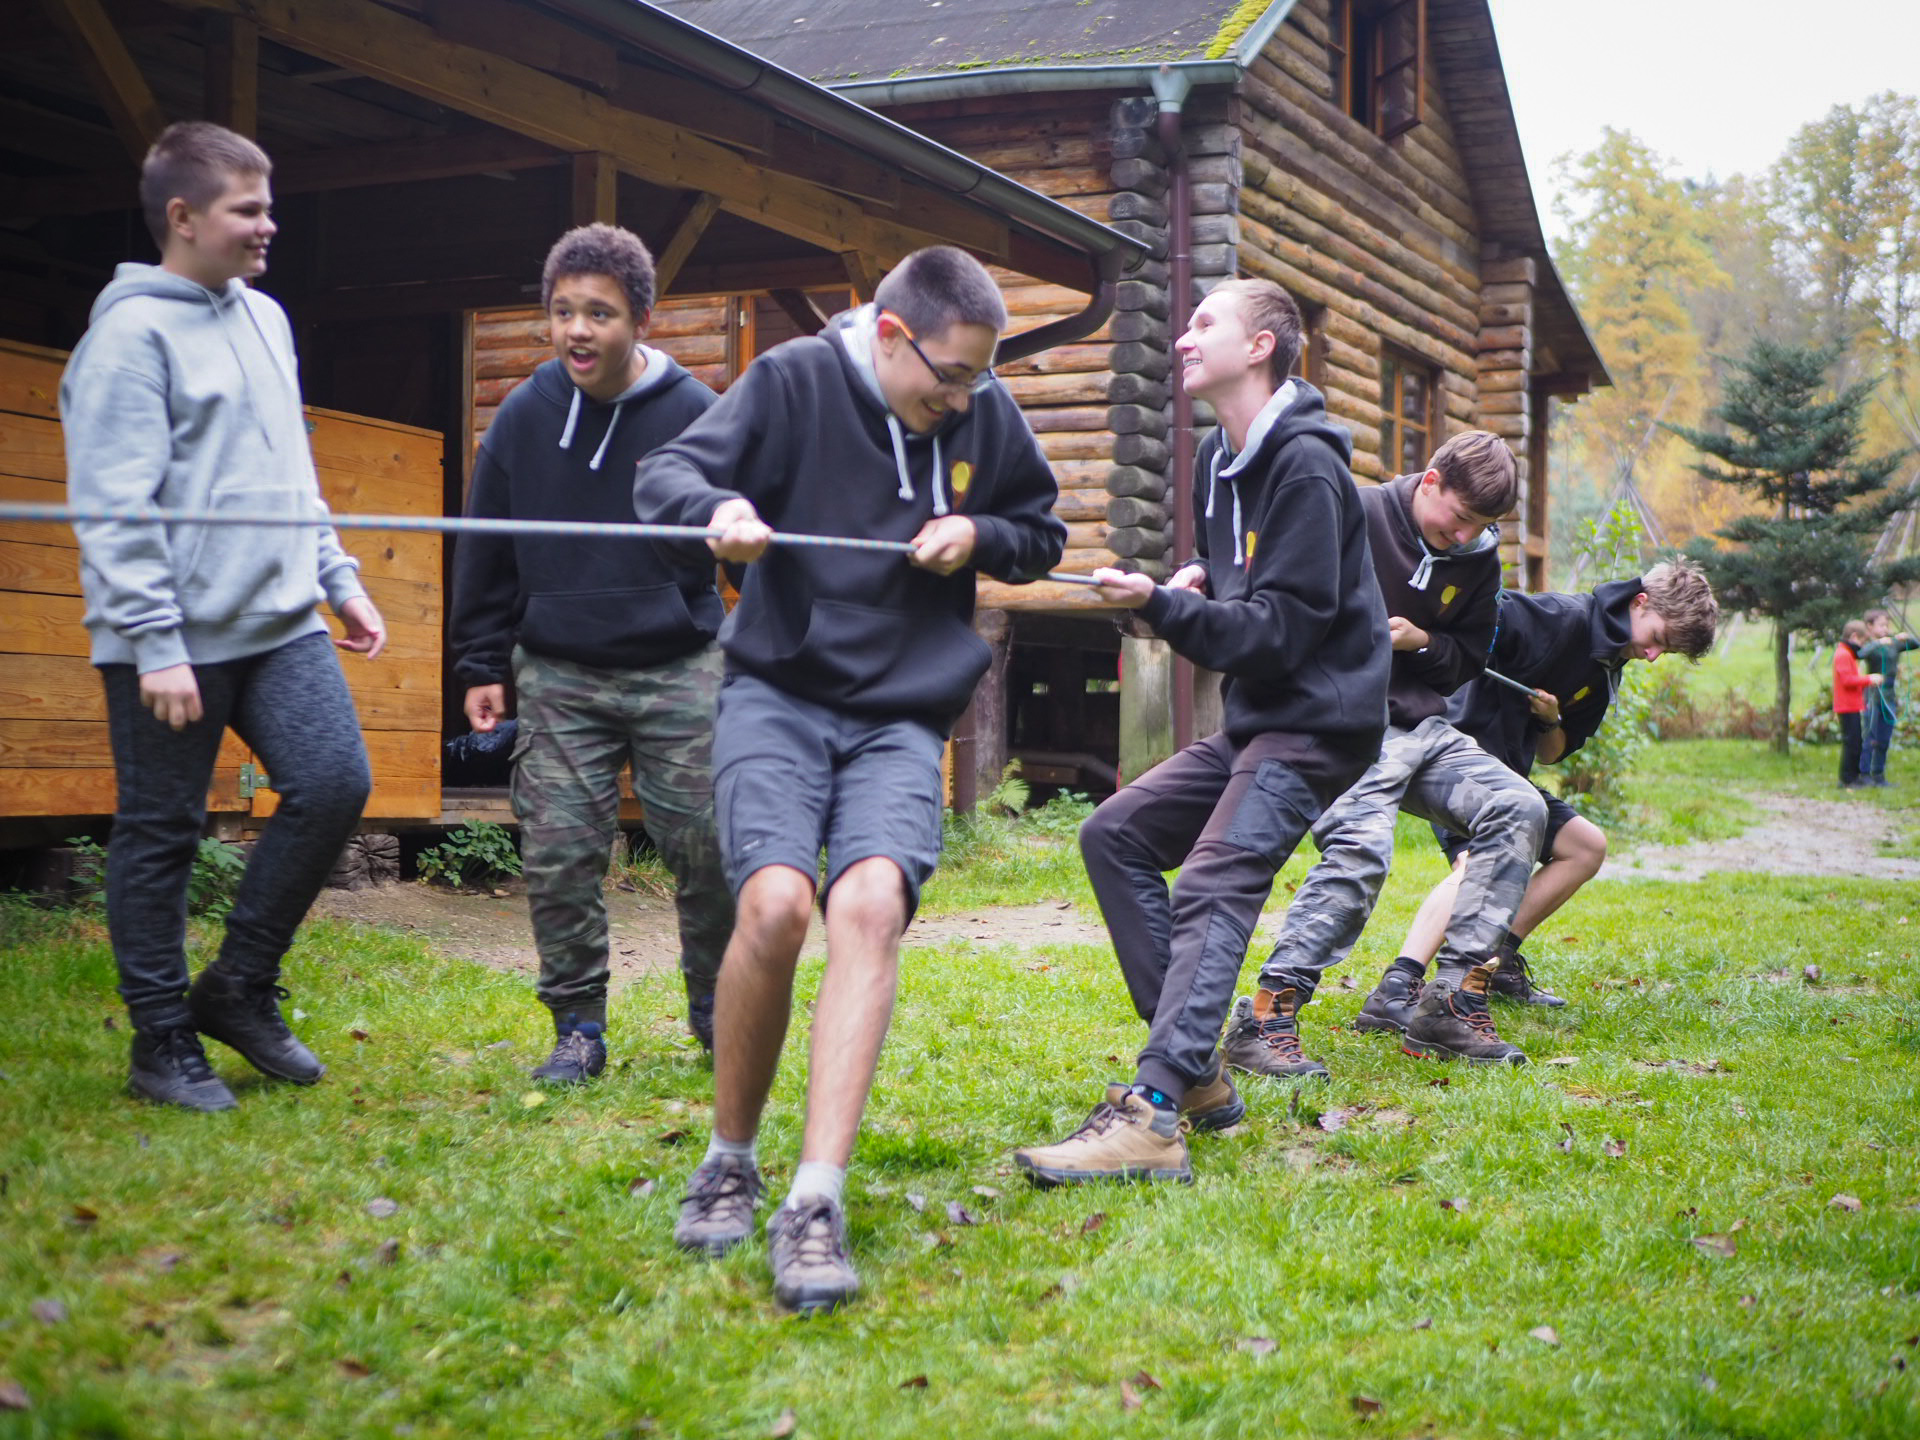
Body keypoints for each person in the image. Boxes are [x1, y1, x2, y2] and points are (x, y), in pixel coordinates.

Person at [633, 247, 1065, 1313]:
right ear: (891, 335)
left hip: (901, 714)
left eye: (978, 380)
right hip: (777, 693)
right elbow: (666, 477)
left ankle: (814, 1200)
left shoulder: (979, 408)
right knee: (777, 907)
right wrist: (718, 514)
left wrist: (980, 532)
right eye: (949, 377)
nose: (961, 401)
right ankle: (731, 1158)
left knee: (868, 905)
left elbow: (1041, 530)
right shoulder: (793, 381)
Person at [1010, 279, 1389, 1187]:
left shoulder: (1306, 467)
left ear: (1260, 347)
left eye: (1204, 323)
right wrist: (1195, 583)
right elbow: (1244, 583)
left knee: (1216, 878)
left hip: (1319, 721)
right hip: (1263, 719)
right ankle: (1202, 1073)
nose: (1183, 338)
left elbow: (1282, 632)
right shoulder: (1219, 458)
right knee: (1114, 835)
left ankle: (1154, 1112)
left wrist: (1164, 607)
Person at [60, 122, 386, 1112]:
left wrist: (336, 575)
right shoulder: (127, 341)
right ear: (184, 216)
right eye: (248, 209)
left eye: (267, 206)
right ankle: (160, 1041)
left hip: (280, 617)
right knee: (160, 831)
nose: (267, 225)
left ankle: (238, 984)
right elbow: (113, 508)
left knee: (335, 782)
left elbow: (291, 465)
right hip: (172, 636)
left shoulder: (266, 319)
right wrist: (154, 643)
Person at [449, 224, 731, 1081]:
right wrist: (479, 663)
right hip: (559, 669)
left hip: (679, 665)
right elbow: (486, 546)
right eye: (563, 310)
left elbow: (748, 544)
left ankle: (720, 1011)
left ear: (641, 320)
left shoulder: (698, 414)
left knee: (709, 845)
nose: (577, 329)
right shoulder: (523, 416)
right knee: (559, 853)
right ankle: (577, 1027)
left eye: (599, 313)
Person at [1229, 430, 1545, 1070]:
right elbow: (1278, 608)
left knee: (1520, 806)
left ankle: (1449, 1004)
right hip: (1343, 721)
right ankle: (1265, 1017)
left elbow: (1464, 663)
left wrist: (1422, 641)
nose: (1464, 535)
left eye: (1480, 526)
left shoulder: (1477, 560)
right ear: (1430, 481)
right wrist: (1365, 638)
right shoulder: (1352, 512)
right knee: (1362, 850)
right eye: (1459, 517)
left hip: (1422, 728)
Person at [1360, 562, 1721, 1025]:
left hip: (1511, 778)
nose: (1652, 655)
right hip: (1457, 760)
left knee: (1586, 846)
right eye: (1658, 638)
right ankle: (1396, 986)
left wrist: (1550, 719)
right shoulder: (1562, 618)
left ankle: (1496, 961)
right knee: (1477, 866)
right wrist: (1421, 635)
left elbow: (1553, 753)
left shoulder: (1607, 666)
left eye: (1664, 651)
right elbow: (1478, 617)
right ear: (1639, 602)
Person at [1858, 609, 1916, 787]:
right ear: (1870, 626)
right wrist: (1878, 642)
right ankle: (1864, 774)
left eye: (1887, 625)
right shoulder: (1869, 644)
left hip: (1889, 694)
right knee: (1869, 735)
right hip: (1873, 694)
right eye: (1881, 625)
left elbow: (1916, 644)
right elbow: (1861, 654)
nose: (1885, 628)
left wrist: (1905, 637)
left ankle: (1879, 774)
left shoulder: (1893, 643)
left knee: (1884, 737)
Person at [1834, 618, 1880, 791]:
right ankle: (1847, 779)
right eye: (1862, 641)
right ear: (1854, 637)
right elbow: (1847, 680)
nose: (1862, 646)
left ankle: (1854, 776)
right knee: (1851, 743)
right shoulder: (1843, 654)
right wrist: (1869, 679)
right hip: (1846, 706)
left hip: (1852, 705)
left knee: (1856, 742)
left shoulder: (1847, 653)